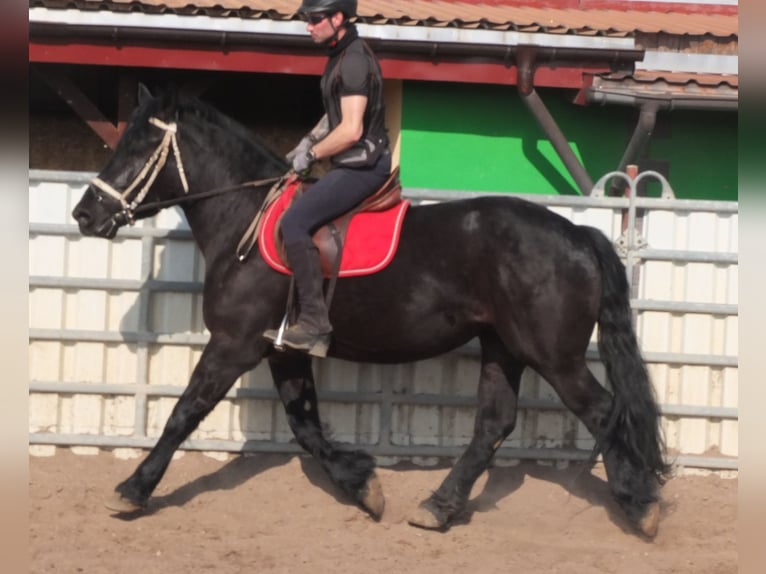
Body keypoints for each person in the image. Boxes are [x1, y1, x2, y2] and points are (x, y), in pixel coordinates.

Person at [263, 0, 391, 357]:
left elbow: (350, 130)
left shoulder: (353, 60)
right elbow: (335, 114)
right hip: (348, 163)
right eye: (307, 20)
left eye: (315, 19)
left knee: (295, 222)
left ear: (338, 18)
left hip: (362, 166)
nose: (309, 26)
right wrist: (310, 139)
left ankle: (315, 326)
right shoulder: (340, 55)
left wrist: (313, 154)